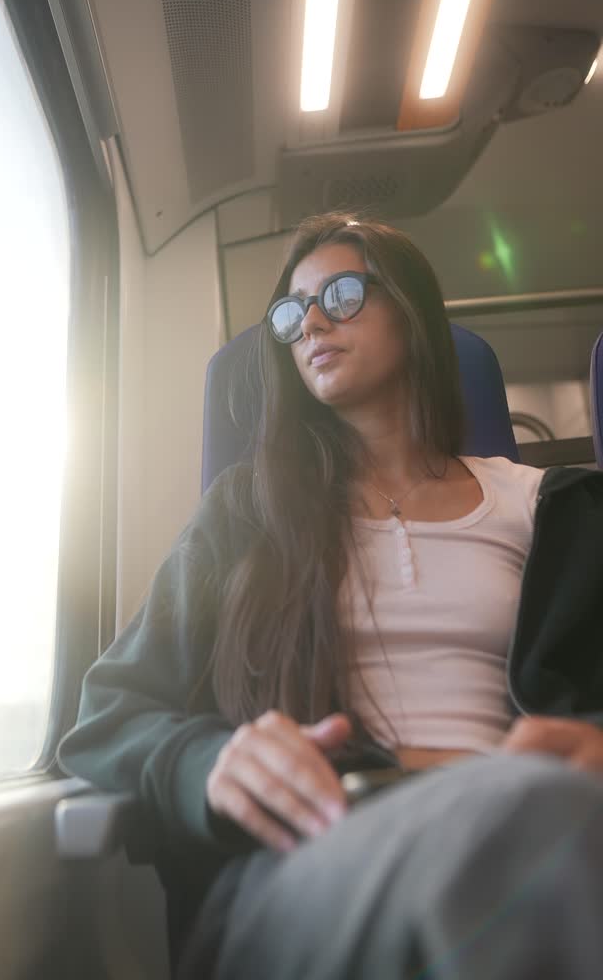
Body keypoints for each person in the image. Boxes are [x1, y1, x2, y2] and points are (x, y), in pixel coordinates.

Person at [58, 213, 603, 979]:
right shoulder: (247, 515)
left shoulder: (554, 508)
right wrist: (205, 761)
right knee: (543, 833)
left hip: (542, 814)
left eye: (342, 294)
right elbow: (107, 715)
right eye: (292, 311)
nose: (311, 320)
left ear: (411, 313)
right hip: (312, 852)